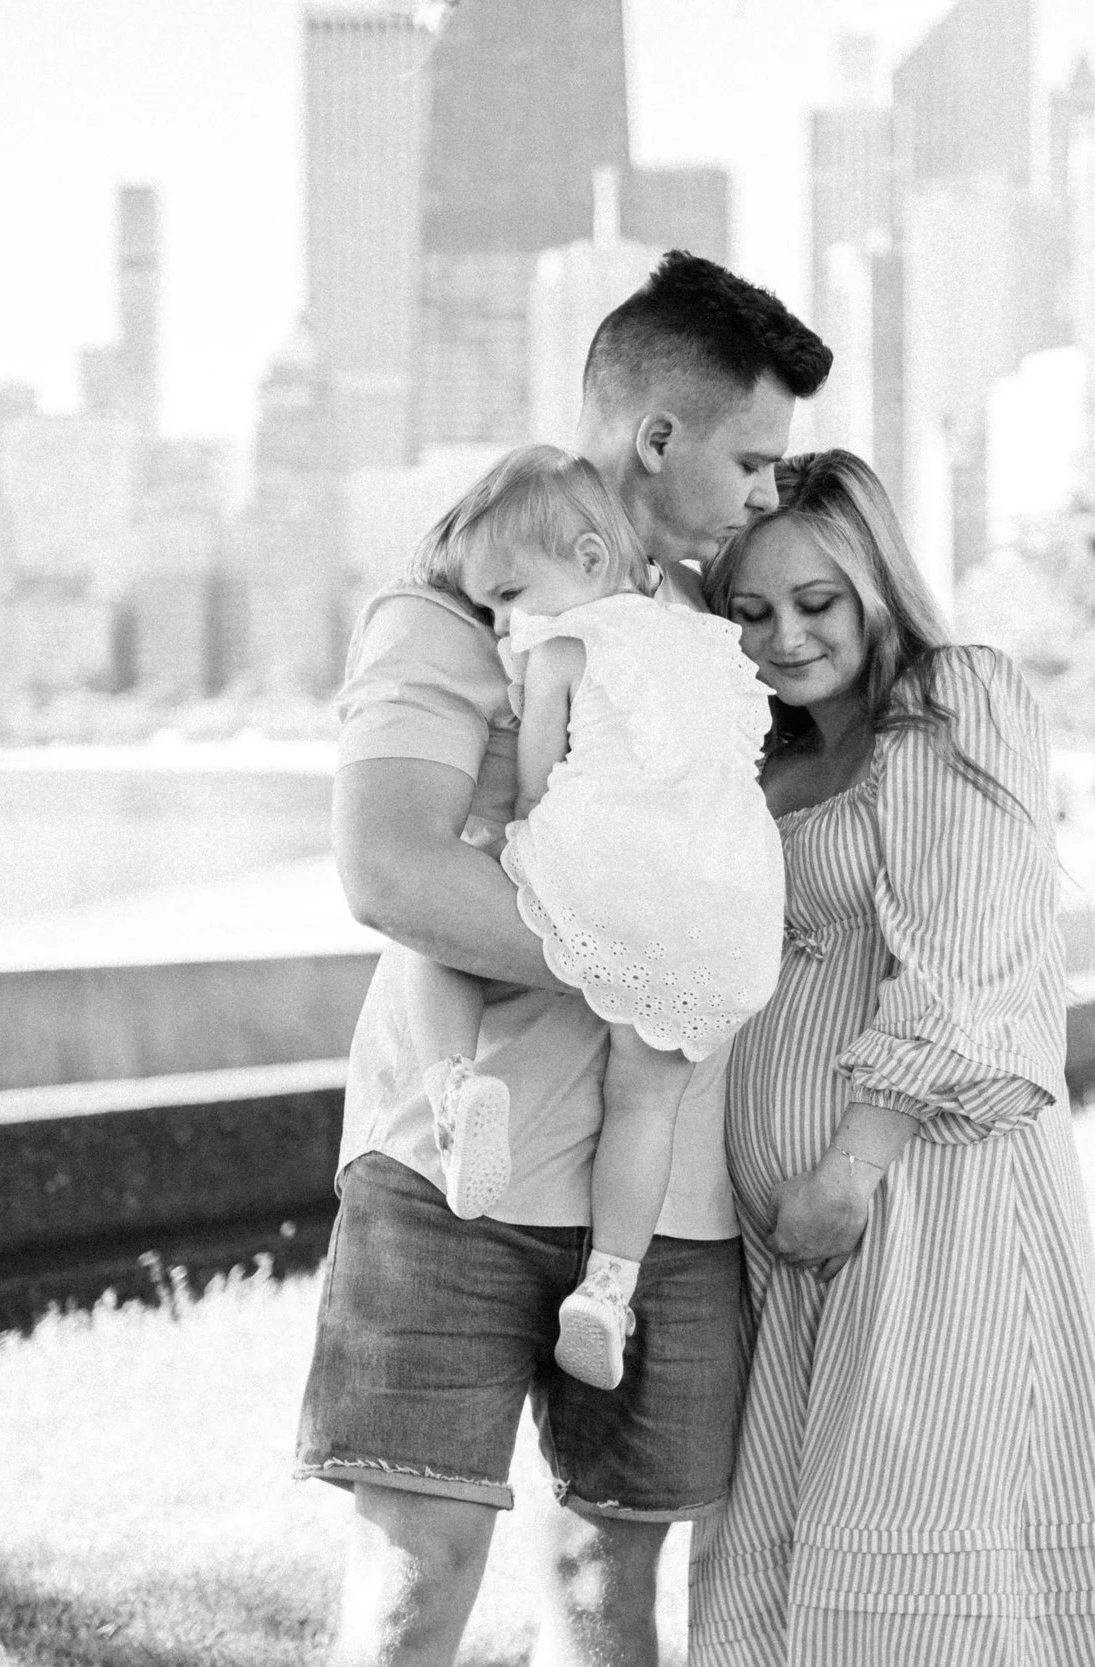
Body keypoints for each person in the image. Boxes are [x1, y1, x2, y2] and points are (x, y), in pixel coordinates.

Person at [292, 251, 829, 1667]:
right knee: (416, 1585)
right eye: (754, 460)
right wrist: (656, 958)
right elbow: (392, 867)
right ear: (660, 438)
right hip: (447, 1175)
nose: (767, 493)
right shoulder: (456, 608)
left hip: (671, 1206)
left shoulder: (729, 634)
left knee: (609, 1591)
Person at [692, 451, 1095, 1666]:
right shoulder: (763, 762)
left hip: (924, 1194)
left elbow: (969, 961)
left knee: (926, 1541)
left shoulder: (957, 701)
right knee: (806, 1559)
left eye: (816, 602)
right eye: (748, 612)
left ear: (876, 586)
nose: (783, 637)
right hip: (785, 1241)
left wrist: (848, 1167)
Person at [393, 442, 785, 1390]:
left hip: (615, 863)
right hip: (729, 902)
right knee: (646, 1098)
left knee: (442, 907)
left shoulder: (561, 649)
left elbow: (534, 791)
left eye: (506, 595)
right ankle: (609, 1289)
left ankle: (454, 1091)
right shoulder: (711, 640)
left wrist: (508, 834)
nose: (498, 622)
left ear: (589, 559)